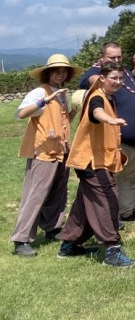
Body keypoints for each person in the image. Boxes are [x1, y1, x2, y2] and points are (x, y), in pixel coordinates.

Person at [61, 60, 135, 267]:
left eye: (121, 78)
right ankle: (112, 250)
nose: (118, 82)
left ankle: (69, 244)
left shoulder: (108, 97)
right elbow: (96, 113)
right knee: (108, 200)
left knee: (85, 205)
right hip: (90, 162)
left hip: (96, 161)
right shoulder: (97, 97)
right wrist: (110, 120)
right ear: (102, 78)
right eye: (114, 78)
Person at [79, 41, 135, 223]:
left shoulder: (125, 73)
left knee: (130, 178)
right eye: (111, 57)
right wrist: (101, 73)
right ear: (101, 59)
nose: (116, 60)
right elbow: (90, 82)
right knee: (112, 179)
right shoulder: (96, 74)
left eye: (119, 57)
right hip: (120, 139)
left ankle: (127, 211)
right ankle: (110, 216)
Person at [11, 54, 81, 257]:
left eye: (64, 70)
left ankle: (52, 228)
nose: (61, 73)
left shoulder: (61, 94)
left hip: (60, 150)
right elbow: (22, 114)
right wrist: (44, 101)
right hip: (42, 151)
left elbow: (63, 119)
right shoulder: (39, 92)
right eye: (56, 70)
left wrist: (74, 111)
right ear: (48, 72)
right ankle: (21, 239)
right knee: (36, 194)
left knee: (58, 193)